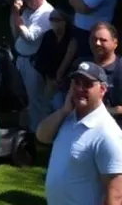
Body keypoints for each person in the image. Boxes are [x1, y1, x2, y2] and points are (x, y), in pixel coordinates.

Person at [37, 61, 122, 204]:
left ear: (102, 89)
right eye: (76, 82)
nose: (80, 88)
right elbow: (41, 136)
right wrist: (64, 111)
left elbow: (116, 192)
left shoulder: (107, 132)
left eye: (87, 84)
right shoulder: (67, 117)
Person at [12, 0, 54, 129]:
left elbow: (29, 37)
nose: (27, 0)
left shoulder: (46, 13)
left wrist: (17, 14)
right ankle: (27, 127)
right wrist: (15, 13)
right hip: (21, 58)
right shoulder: (30, 10)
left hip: (33, 62)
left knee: (36, 99)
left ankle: (38, 132)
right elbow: (15, 31)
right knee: (23, 97)